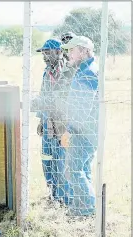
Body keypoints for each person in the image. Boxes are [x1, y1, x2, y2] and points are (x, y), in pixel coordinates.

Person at [31, 38, 75, 204]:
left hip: (63, 126)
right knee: (47, 159)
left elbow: (65, 99)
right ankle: (52, 193)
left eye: (48, 52)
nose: (44, 56)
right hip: (48, 123)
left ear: (59, 52)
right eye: (43, 52)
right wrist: (41, 120)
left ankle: (64, 198)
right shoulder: (46, 72)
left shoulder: (67, 72)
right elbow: (44, 96)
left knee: (62, 160)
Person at [60, 36, 99, 216]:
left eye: (72, 50)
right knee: (82, 170)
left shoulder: (88, 72)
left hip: (84, 132)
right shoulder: (85, 69)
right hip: (88, 131)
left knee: (73, 171)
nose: (68, 54)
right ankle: (80, 207)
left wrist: (70, 130)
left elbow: (82, 109)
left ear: (84, 51)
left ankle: (90, 208)